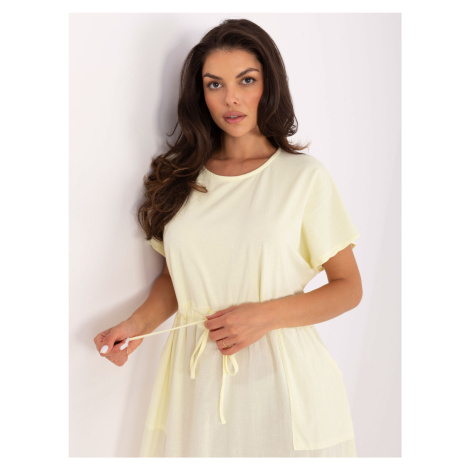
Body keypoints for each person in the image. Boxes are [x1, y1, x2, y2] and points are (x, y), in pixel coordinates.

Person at [94, 18, 363, 458]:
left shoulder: (303, 178)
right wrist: (136, 326)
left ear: (269, 86)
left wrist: (263, 316)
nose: (230, 98)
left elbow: (348, 288)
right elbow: (176, 279)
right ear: (200, 94)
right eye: (214, 84)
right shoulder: (180, 177)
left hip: (283, 382)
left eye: (246, 80)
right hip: (194, 383)